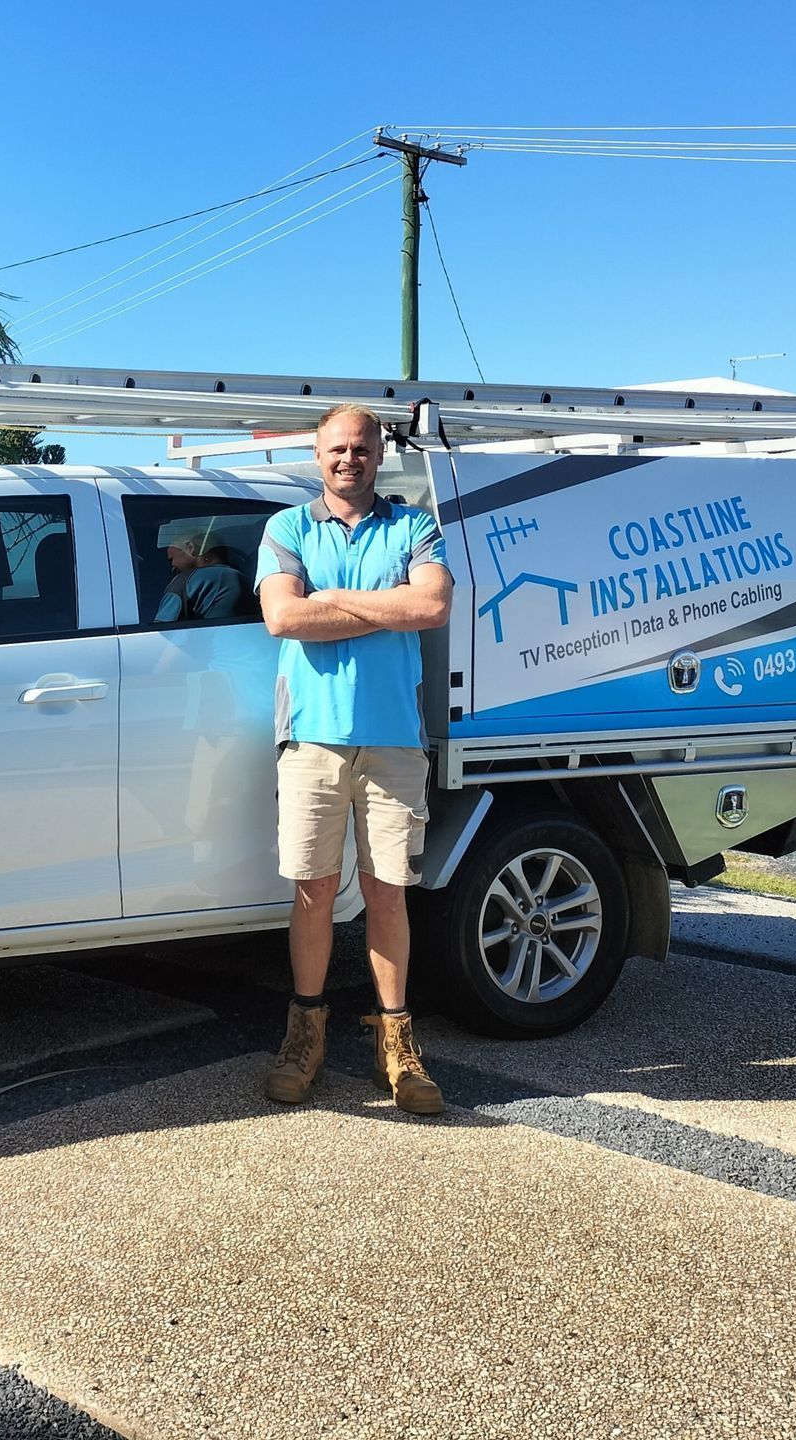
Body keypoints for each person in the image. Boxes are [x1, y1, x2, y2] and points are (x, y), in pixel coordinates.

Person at [252, 403, 454, 1116]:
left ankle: (396, 1047)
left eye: (361, 448)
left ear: (379, 453)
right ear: (317, 454)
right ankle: (304, 1034)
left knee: (387, 892)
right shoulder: (287, 528)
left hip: (394, 735)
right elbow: (284, 617)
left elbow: (432, 607)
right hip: (311, 735)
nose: (349, 459)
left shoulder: (414, 525)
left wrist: (332, 597)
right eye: (337, 449)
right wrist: (381, 604)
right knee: (312, 889)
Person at [154, 517, 253, 622]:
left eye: (171, 559)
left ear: (190, 548)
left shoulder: (187, 582)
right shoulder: (248, 582)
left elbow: (161, 629)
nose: (172, 567)